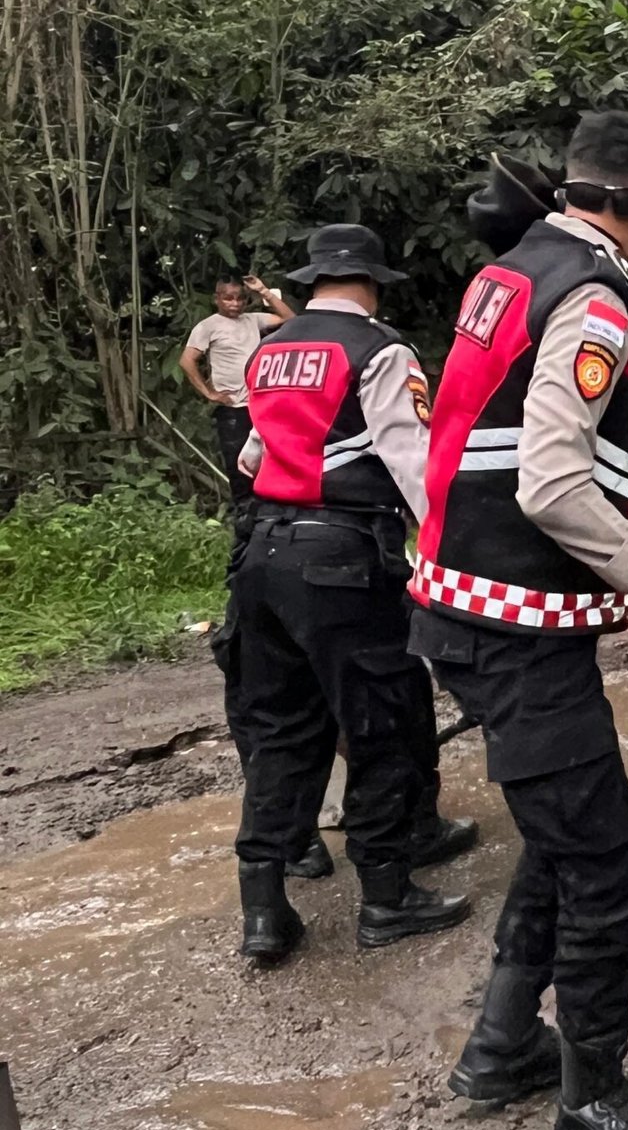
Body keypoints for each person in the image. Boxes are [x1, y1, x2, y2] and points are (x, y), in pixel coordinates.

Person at [410, 119, 628, 1130]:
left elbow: (492, 443)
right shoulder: (596, 298)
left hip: (470, 606)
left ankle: (505, 1044)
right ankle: (591, 1099)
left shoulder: (512, 271)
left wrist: (619, 577)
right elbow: (549, 482)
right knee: (610, 869)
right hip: (511, 632)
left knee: (563, 836)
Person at [227, 225, 475, 966]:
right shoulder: (380, 350)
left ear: (312, 282)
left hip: (262, 555)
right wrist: (454, 558)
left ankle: (264, 911)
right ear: (371, 283)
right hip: (342, 561)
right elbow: (413, 463)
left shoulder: (271, 348)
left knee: (280, 729)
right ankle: (387, 896)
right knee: (382, 721)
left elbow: (251, 456)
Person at [181, 275, 294, 501]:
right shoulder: (208, 326)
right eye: (228, 298)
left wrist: (263, 290)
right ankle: (243, 514)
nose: (235, 303)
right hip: (233, 409)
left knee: (267, 461)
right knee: (239, 468)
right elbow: (186, 360)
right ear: (216, 299)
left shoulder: (252, 320)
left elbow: (290, 318)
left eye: (240, 298)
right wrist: (209, 393)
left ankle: (264, 511)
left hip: (260, 406)